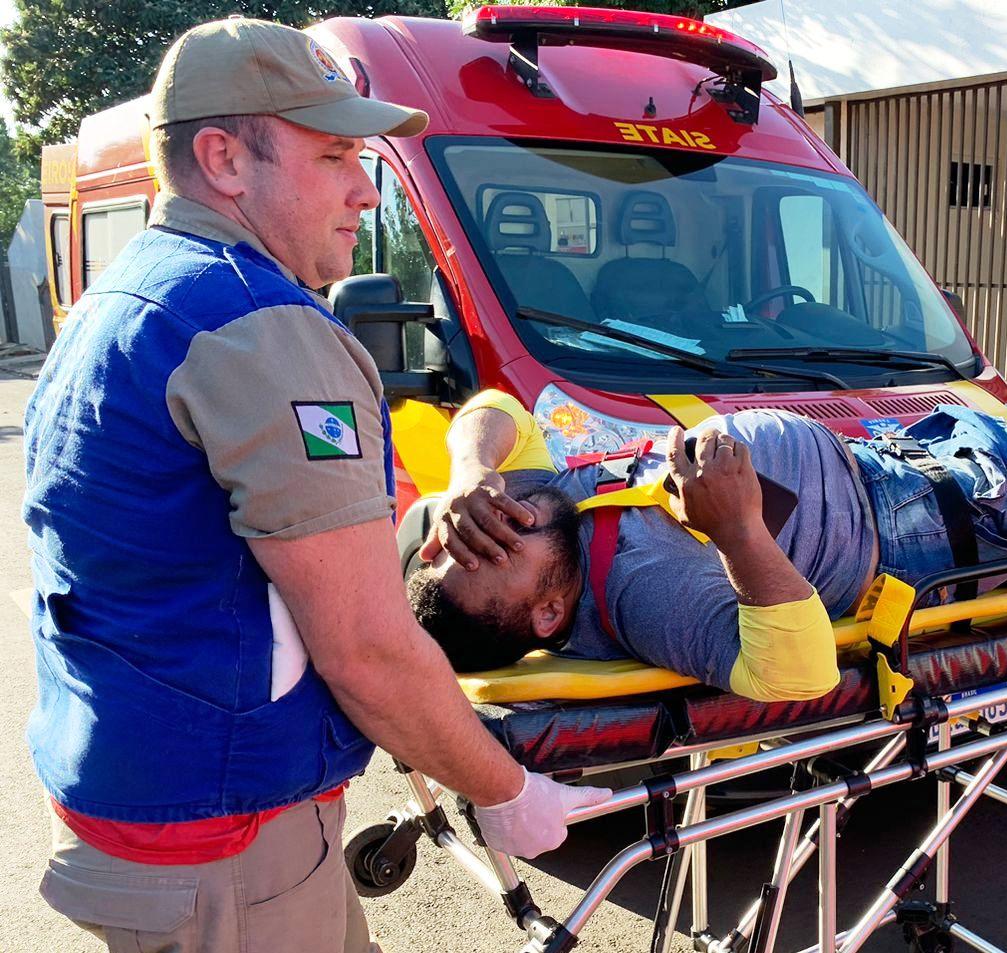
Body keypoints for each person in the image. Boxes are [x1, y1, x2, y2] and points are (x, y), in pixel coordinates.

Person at [22, 20, 605, 953]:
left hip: (147, 795)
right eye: (334, 153)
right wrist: (510, 792)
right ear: (223, 158)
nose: (364, 187)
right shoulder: (261, 329)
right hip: (224, 841)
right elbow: (368, 647)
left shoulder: (131, 292)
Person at [409, 391, 1007, 696]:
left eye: (470, 527)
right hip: (920, 521)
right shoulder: (641, 593)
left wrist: (462, 473)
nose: (498, 521)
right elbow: (791, 672)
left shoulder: (543, 505)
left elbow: (495, 411)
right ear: (552, 608)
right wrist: (740, 528)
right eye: (487, 551)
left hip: (889, 456)